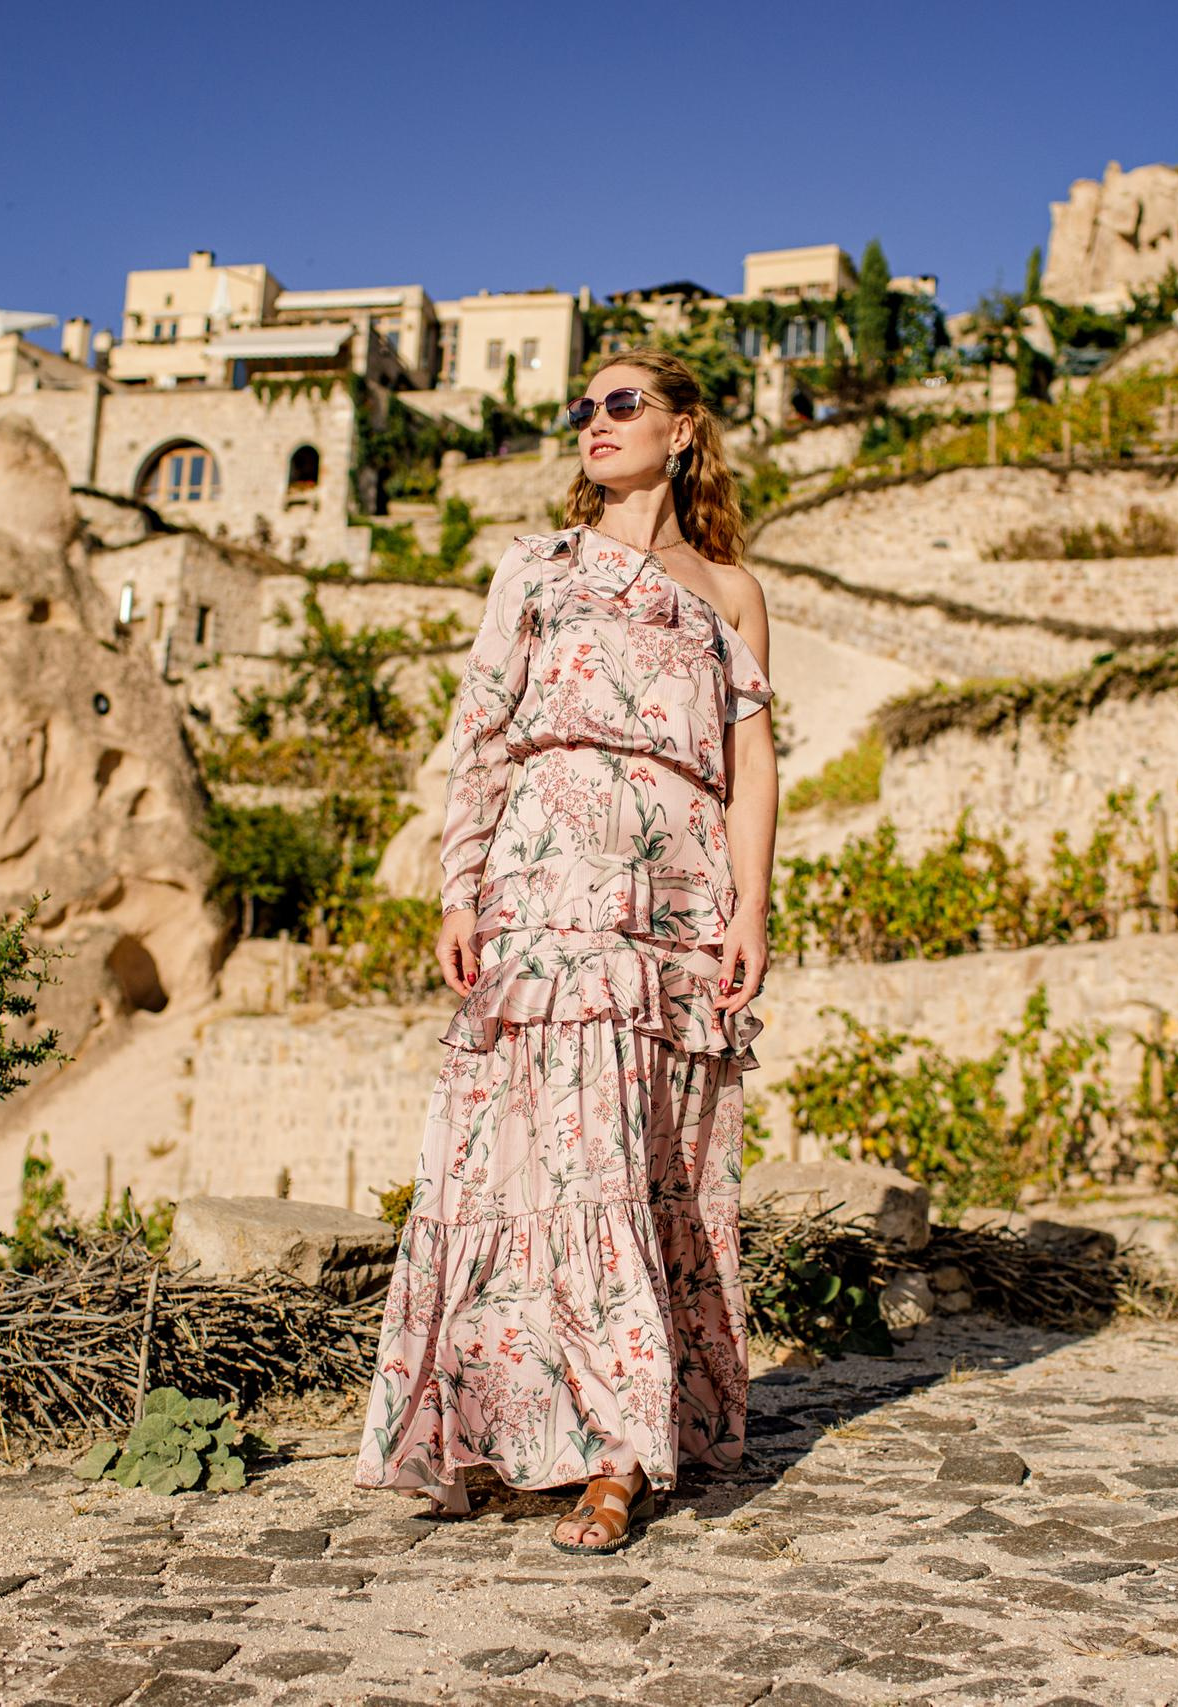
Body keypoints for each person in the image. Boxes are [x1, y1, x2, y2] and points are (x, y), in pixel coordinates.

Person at [351, 347, 778, 1554]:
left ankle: (632, 1436)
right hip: (547, 880)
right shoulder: (532, 566)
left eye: (623, 404)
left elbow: (752, 770)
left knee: (650, 1157)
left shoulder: (731, 591)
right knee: (541, 1153)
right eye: (582, 408)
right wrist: (460, 885)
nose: (595, 423)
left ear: (683, 430)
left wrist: (752, 907)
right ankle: (554, 1427)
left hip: (677, 896)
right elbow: (481, 730)